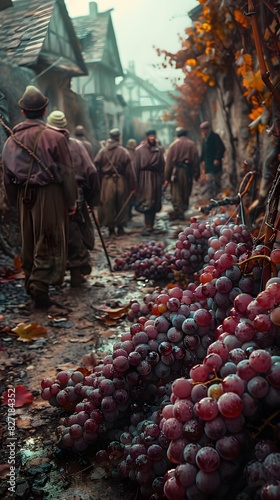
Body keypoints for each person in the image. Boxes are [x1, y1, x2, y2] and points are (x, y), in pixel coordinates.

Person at [1, 85, 77, 308]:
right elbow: (67, 172)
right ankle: (39, 287)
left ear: (23, 112)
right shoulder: (56, 137)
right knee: (49, 239)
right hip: (50, 193)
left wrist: (16, 200)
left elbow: (6, 176)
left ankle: (33, 285)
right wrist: (71, 201)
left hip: (24, 195)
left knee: (30, 242)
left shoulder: (10, 141)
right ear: (44, 110)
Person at [47, 111, 101, 287]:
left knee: (52, 235)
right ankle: (77, 275)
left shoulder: (41, 145)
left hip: (47, 196)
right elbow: (91, 172)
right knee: (75, 234)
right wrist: (92, 200)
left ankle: (52, 277)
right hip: (76, 194)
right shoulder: (76, 145)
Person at [93, 128, 135, 237]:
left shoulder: (102, 151)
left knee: (108, 204)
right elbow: (130, 170)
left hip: (106, 182)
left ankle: (111, 229)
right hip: (120, 180)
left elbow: (96, 168)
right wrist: (133, 185)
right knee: (121, 204)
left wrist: (97, 183)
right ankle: (120, 228)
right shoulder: (123, 152)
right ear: (119, 137)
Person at [164, 127, 200, 220]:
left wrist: (167, 177)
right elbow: (196, 160)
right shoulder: (191, 144)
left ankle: (178, 211)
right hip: (187, 172)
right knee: (186, 191)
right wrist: (196, 173)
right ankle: (182, 209)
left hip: (176, 173)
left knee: (176, 192)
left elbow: (169, 163)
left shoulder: (173, 145)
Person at [134, 129, 165, 235]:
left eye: (153, 136)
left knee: (155, 201)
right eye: (150, 136)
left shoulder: (159, 150)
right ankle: (148, 226)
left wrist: (163, 179)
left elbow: (162, 166)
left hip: (155, 178)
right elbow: (135, 167)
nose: (152, 138)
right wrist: (135, 182)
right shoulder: (139, 150)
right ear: (147, 137)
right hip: (144, 178)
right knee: (146, 201)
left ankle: (150, 225)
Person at [199, 121, 226, 199]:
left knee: (217, 180)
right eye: (202, 129)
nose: (203, 131)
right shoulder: (204, 140)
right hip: (208, 165)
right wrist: (200, 161)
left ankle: (217, 195)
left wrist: (217, 158)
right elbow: (203, 153)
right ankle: (211, 197)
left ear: (208, 129)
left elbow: (221, 148)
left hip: (215, 164)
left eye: (204, 129)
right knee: (209, 181)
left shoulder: (215, 137)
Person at [125, 138, 138, 220]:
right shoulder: (129, 153)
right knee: (129, 197)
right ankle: (128, 214)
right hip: (129, 178)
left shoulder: (129, 152)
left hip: (128, 178)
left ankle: (129, 213)